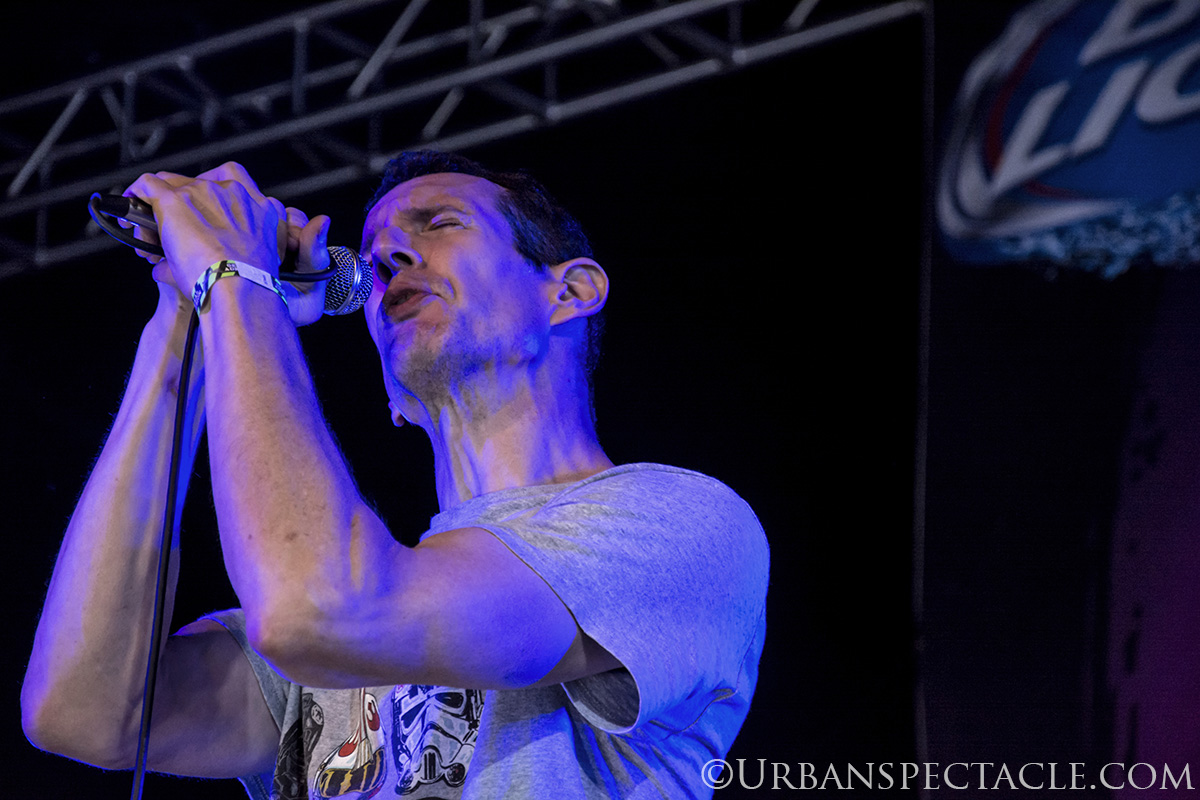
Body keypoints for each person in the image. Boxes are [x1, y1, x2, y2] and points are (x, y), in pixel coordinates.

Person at [21, 151, 769, 799]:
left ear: (569, 291)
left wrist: (238, 282)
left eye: (439, 223)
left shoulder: (683, 524)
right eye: (374, 254)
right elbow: (83, 712)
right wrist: (185, 317)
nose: (388, 259)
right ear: (392, 399)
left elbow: (320, 609)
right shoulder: (349, 603)